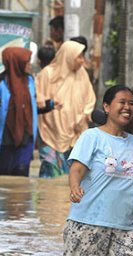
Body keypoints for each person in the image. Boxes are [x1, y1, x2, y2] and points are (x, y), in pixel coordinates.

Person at [59, 85, 133, 256]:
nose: (127, 107)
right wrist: (74, 187)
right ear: (106, 107)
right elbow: (77, 169)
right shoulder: (92, 137)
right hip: (88, 222)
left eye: (131, 103)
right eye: (121, 102)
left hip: (126, 226)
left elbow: (128, 181)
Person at [0, 47, 56, 176]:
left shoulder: (29, 81)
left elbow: (29, 107)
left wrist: (49, 105)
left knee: (20, 178)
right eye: (26, 62)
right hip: (3, 136)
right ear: (15, 62)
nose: (29, 65)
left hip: (25, 136)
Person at [35, 40, 96, 178]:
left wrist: (84, 115)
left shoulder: (82, 74)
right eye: (78, 57)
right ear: (68, 56)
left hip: (76, 133)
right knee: (50, 175)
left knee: (73, 176)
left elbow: (90, 99)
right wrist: (52, 106)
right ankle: (48, 200)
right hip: (50, 132)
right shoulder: (47, 74)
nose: (82, 61)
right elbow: (39, 100)